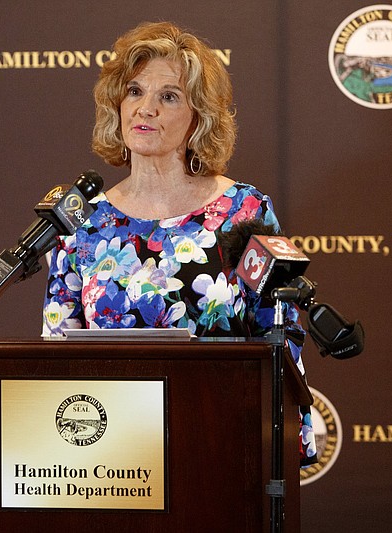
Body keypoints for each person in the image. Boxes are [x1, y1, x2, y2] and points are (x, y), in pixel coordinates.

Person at [41, 21, 317, 466]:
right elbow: (57, 349)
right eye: (134, 92)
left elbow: (282, 337)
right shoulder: (84, 221)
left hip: (224, 447)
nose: (144, 109)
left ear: (199, 117)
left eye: (167, 96)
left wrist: (284, 445)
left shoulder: (243, 211)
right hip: (111, 459)